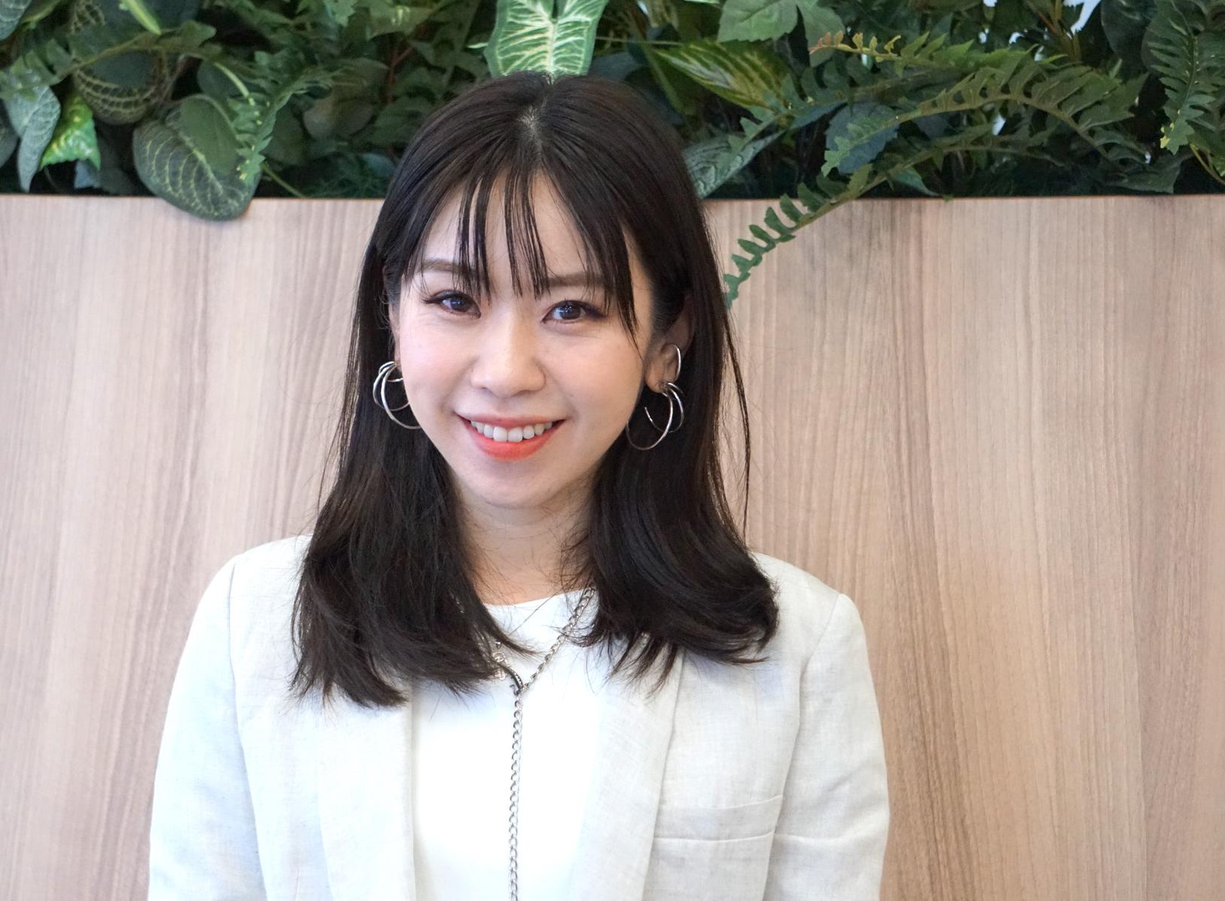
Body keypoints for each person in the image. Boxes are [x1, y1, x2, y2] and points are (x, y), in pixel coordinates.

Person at [147, 71, 889, 901]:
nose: (506, 372)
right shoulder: (254, 622)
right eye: (455, 299)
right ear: (392, 311)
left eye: (572, 310)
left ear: (666, 339)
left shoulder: (798, 648)